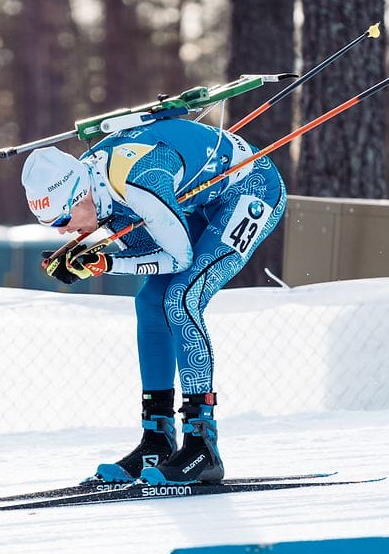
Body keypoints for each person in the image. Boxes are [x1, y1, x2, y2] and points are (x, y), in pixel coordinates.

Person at [20, 118, 286, 485]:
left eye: (64, 219)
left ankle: (202, 445)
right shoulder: (97, 189)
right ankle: (158, 439)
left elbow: (180, 259)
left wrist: (104, 262)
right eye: (52, 225)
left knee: (182, 297)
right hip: (198, 199)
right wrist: (88, 256)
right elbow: (150, 252)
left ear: (81, 194)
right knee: (150, 302)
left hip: (250, 189)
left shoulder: (138, 182)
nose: (63, 230)